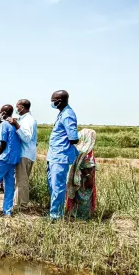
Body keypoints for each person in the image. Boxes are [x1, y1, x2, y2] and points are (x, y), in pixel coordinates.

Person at [47, 90, 79, 220]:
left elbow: (73, 138)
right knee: (52, 185)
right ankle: (53, 211)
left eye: (53, 100)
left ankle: (56, 216)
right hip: (54, 155)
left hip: (61, 156)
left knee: (58, 186)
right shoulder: (62, 113)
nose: (52, 103)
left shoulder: (68, 115)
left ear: (59, 101)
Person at [6, 99, 38, 208]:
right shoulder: (24, 119)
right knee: (20, 179)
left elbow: (27, 138)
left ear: (22, 107)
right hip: (26, 153)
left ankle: (22, 205)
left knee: (22, 180)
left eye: (17, 106)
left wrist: (16, 125)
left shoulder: (28, 120)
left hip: (25, 154)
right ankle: (17, 203)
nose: (16, 109)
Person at [65, 129, 97, 220]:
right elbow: (86, 165)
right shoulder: (86, 150)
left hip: (78, 178)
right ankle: (81, 218)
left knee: (77, 196)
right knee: (84, 198)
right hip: (85, 179)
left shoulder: (77, 149)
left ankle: (73, 214)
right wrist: (89, 177)